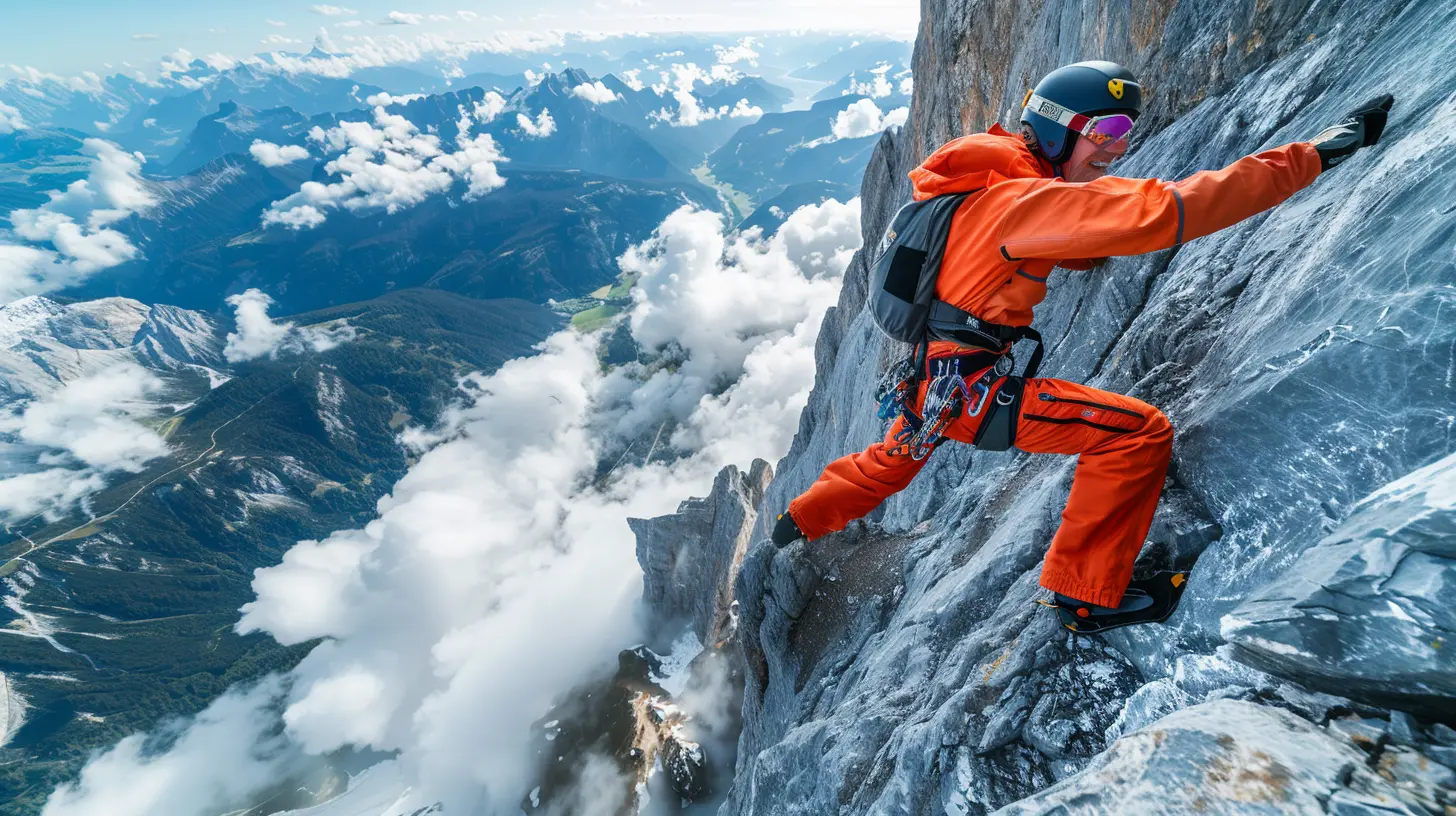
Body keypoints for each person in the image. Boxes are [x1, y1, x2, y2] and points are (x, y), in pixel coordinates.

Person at [770, 60, 1393, 631]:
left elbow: (1045, 245)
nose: (1119, 148)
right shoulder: (1019, 202)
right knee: (1136, 433)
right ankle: (1084, 598)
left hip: (934, 382)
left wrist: (801, 519)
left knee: (892, 460)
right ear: (1060, 129)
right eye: (1109, 130)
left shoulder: (980, 188)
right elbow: (1173, 207)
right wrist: (1315, 154)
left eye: (1126, 133)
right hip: (977, 393)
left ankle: (797, 519)